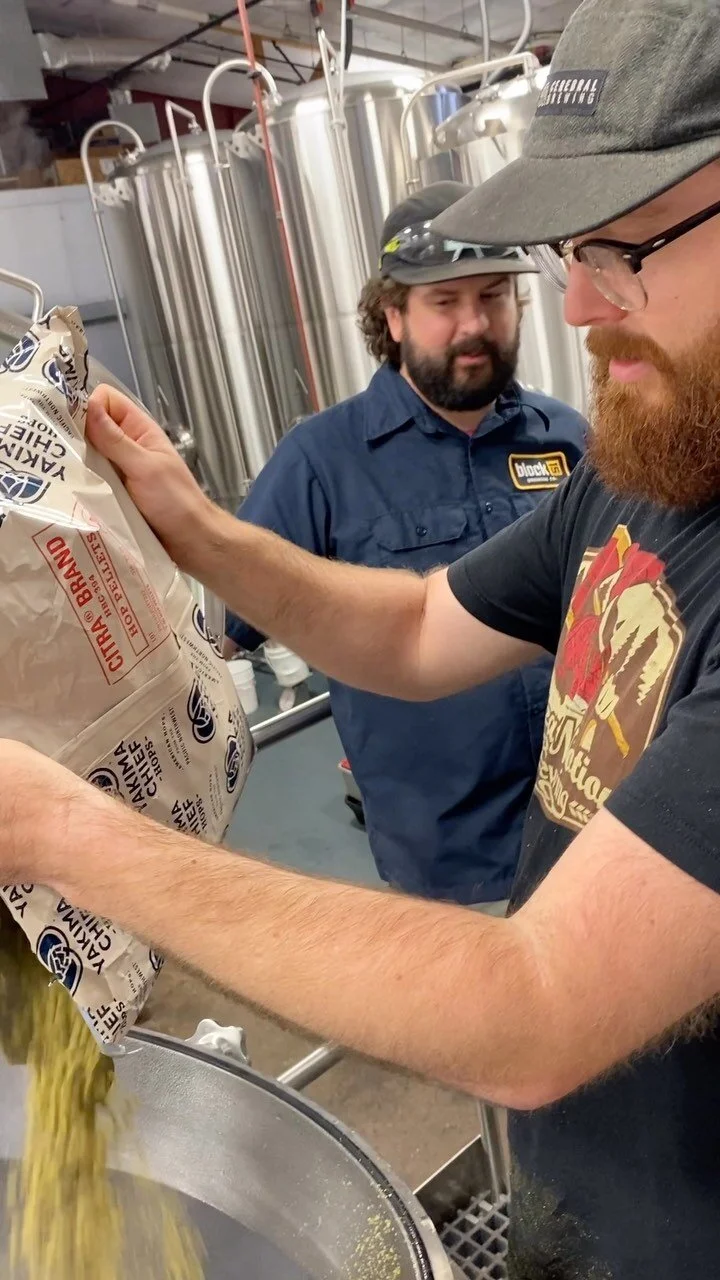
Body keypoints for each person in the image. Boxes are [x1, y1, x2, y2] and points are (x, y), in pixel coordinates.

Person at [3, 0, 720, 1275]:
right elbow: (419, 623)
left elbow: (537, 1003)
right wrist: (197, 526)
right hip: (586, 1180)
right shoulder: (648, 473)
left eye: (620, 247)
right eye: (567, 255)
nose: (578, 305)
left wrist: (62, 831)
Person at [224, 181, 586, 907]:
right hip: (449, 868)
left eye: (492, 296)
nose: (474, 324)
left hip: (589, 833)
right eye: (444, 302)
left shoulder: (567, 440)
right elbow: (222, 631)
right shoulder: (322, 463)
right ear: (392, 315)